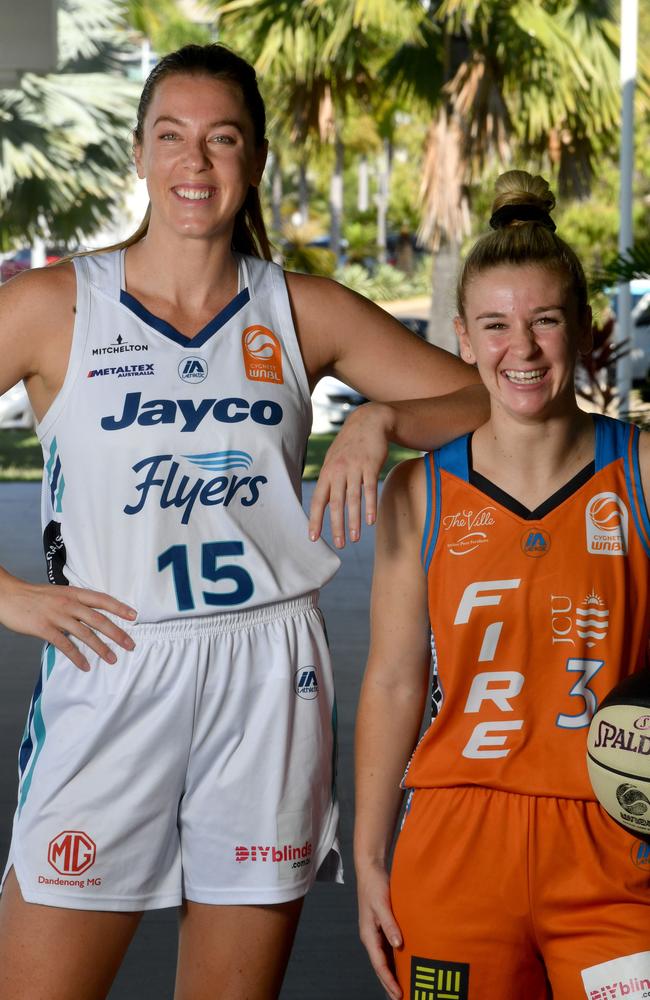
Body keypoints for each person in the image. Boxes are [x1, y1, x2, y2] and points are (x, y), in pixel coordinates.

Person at [0, 44, 488, 1000]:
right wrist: (8, 597)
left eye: (222, 139)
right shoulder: (55, 305)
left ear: (255, 159)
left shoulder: (298, 310)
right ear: (139, 155)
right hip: (114, 661)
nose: (196, 162)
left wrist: (382, 419)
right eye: (172, 137)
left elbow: (476, 400)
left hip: (270, 671)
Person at [354, 169, 650, 1000]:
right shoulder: (420, 492)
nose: (520, 349)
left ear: (586, 330)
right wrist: (372, 862)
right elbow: (392, 679)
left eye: (545, 321)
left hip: (616, 835)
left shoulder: (642, 473)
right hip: (457, 842)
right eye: (495, 325)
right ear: (461, 337)